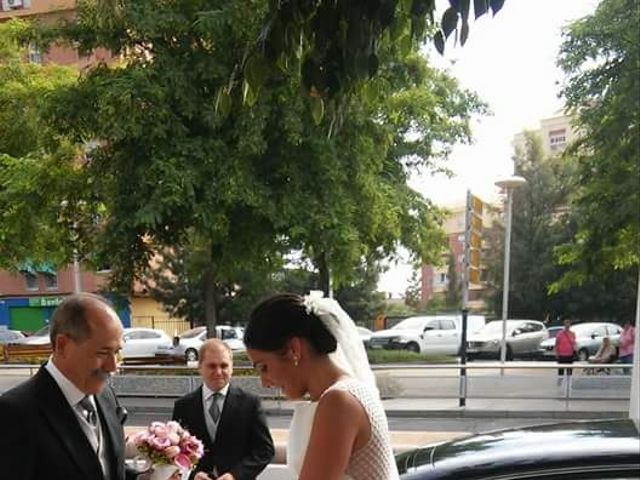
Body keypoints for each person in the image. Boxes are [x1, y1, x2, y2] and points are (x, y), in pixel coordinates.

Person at [244, 292, 400, 480]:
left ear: (294, 350)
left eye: (264, 367)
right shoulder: (345, 393)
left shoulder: (339, 402)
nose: (264, 382)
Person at [0, 293, 129, 480]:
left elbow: (106, 470)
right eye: (103, 352)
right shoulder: (13, 413)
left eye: (117, 352)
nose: (113, 366)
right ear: (62, 345)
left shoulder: (106, 395)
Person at [172, 339, 274, 480]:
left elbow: (264, 450)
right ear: (199, 367)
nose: (218, 372)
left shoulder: (250, 404)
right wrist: (193, 475)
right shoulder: (183, 406)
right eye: (212, 366)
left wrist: (235, 475)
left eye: (224, 366)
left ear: (231, 368)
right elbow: (175, 451)